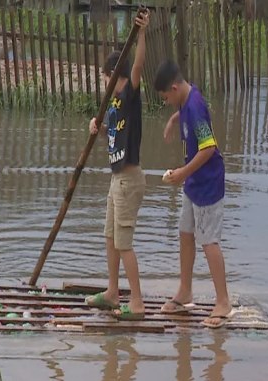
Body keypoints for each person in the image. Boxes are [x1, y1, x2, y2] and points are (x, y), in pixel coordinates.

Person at [154, 60, 232, 328]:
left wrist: (183, 172)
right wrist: (174, 119)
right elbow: (184, 110)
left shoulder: (195, 107)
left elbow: (208, 147)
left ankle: (223, 301)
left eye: (166, 97)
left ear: (174, 88)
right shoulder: (187, 100)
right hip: (193, 183)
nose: (166, 102)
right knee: (186, 233)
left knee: (208, 241)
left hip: (207, 183)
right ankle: (185, 291)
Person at [84, 9, 150, 320]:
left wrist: (141, 32)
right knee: (110, 237)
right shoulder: (113, 104)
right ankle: (112, 292)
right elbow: (112, 136)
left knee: (124, 243)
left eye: (107, 78)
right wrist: (96, 127)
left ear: (116, 76)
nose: (105, 83)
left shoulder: (131, 95)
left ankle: (136, 303)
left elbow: (137, 64)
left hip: (130, 179)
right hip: (116, 180)